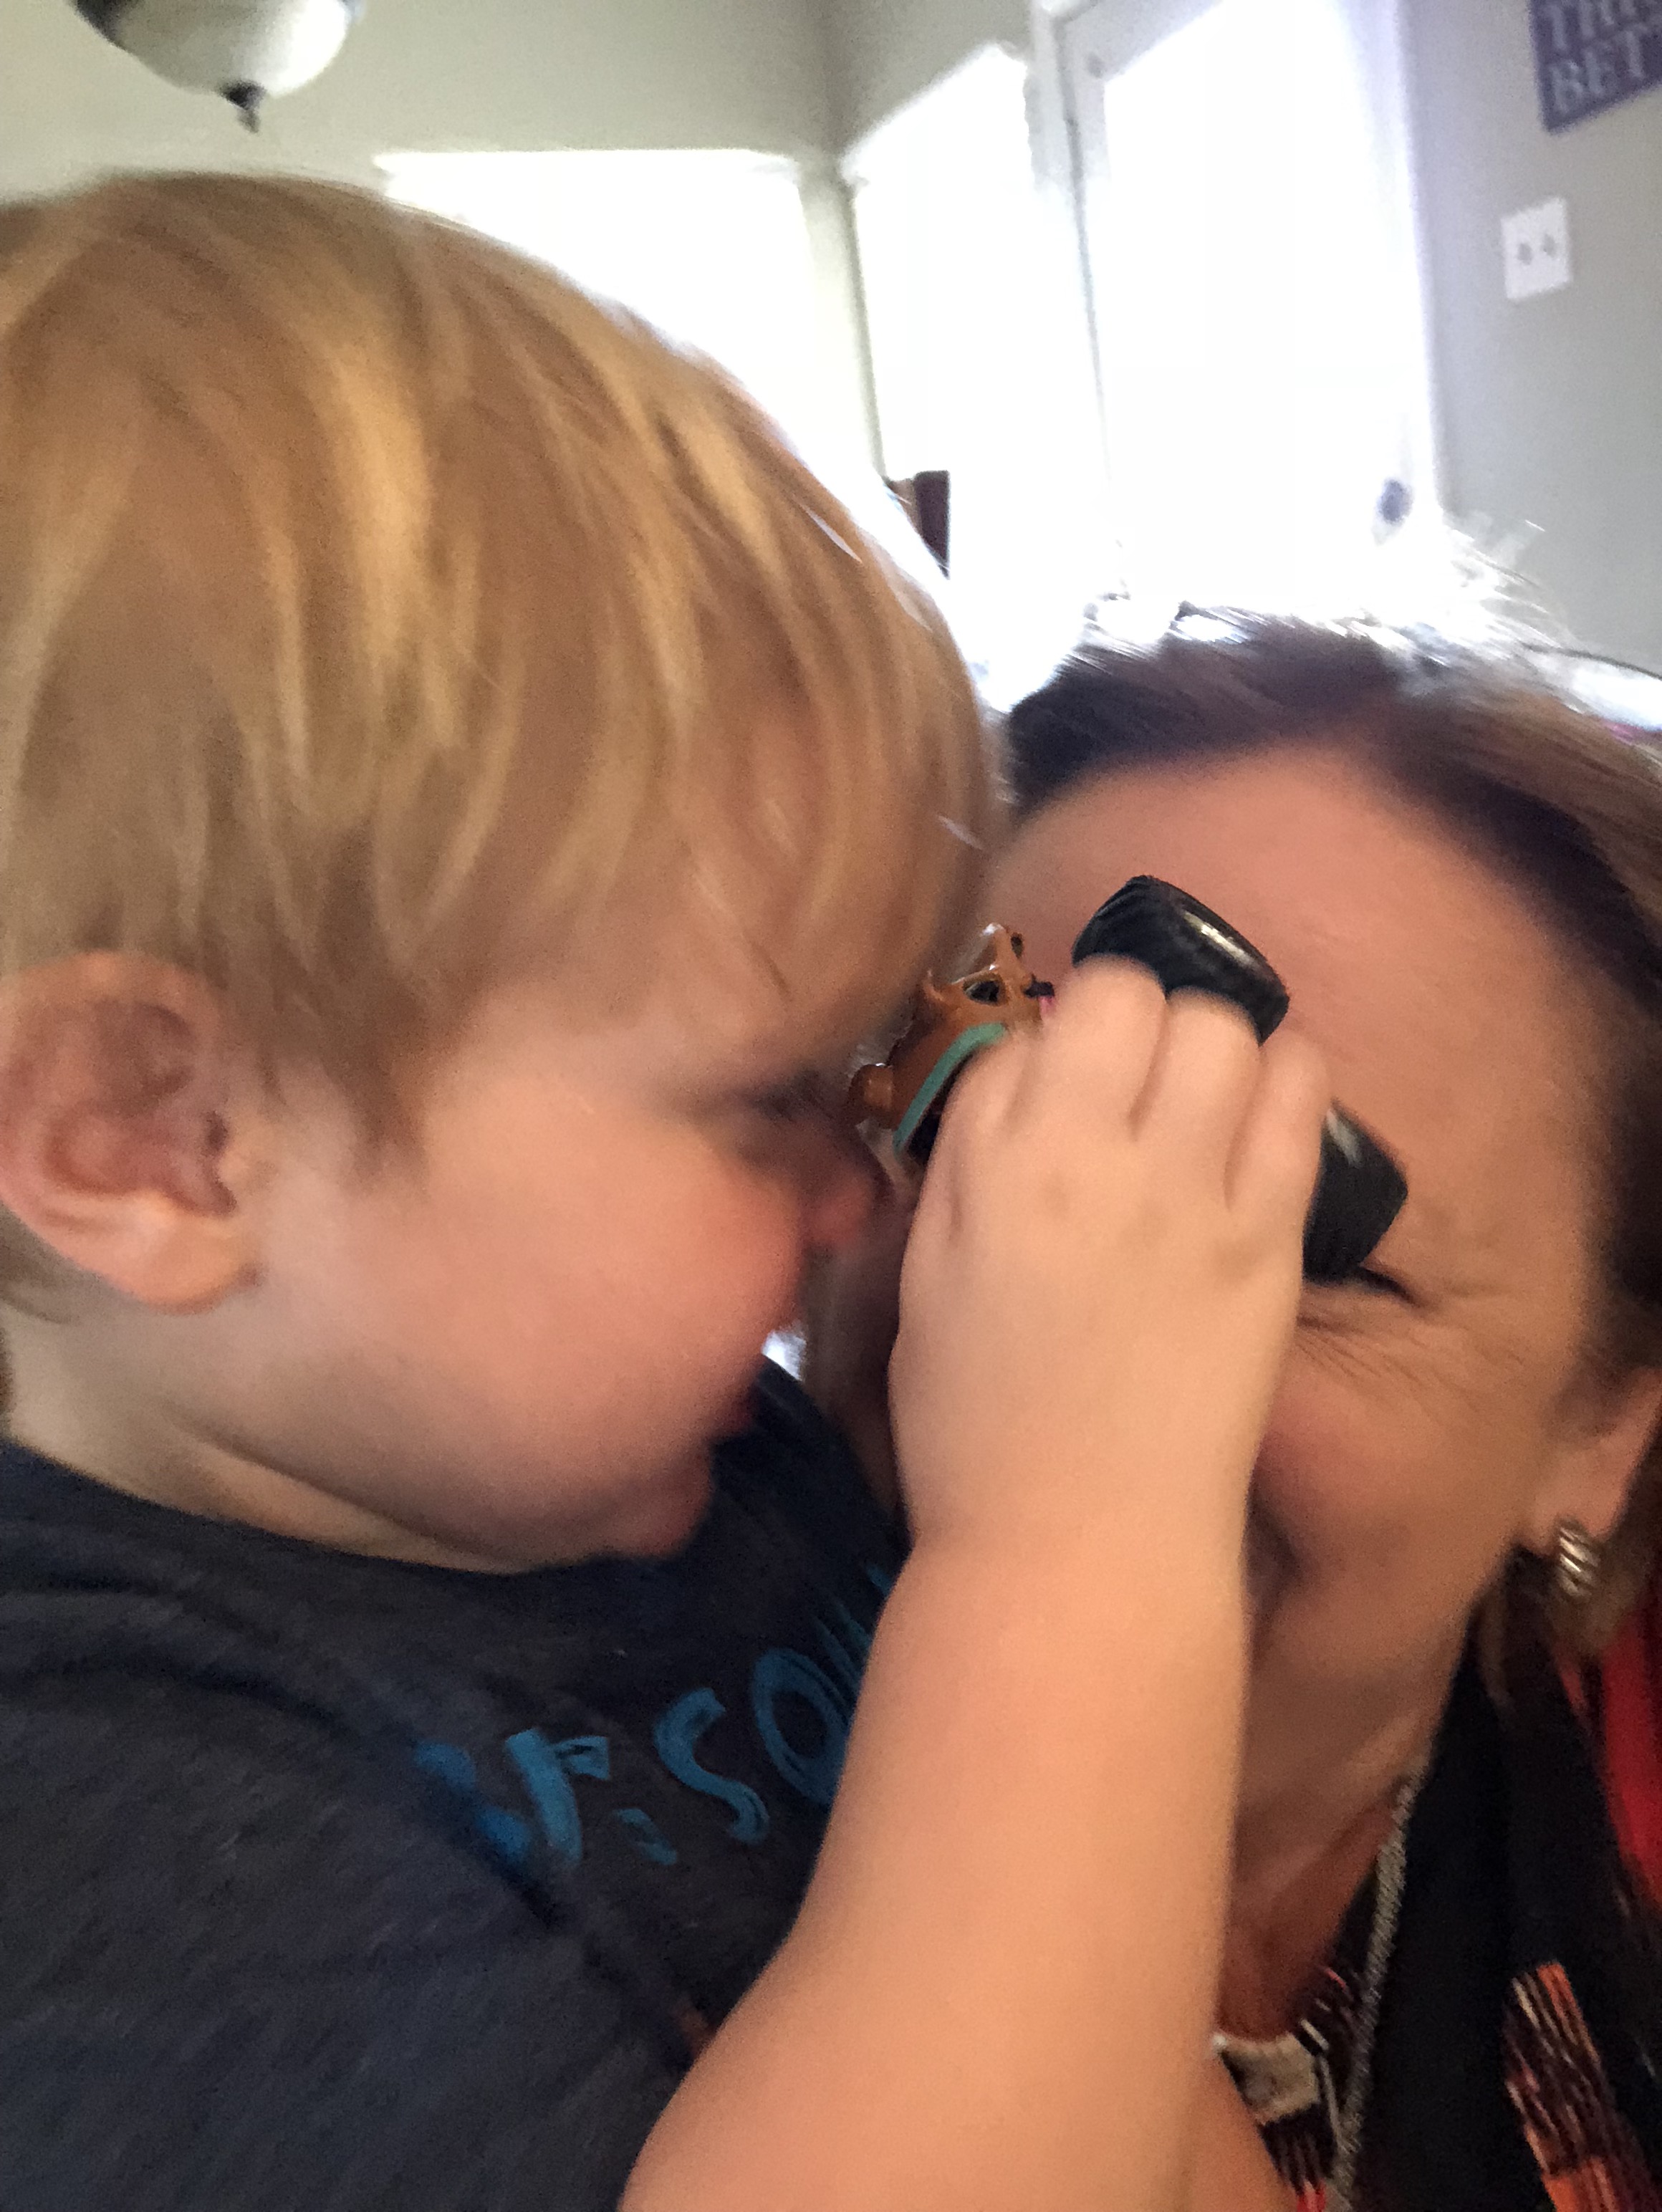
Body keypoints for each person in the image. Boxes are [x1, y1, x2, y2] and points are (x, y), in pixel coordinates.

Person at [0, 177, 1323, 2211]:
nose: (856, 1194)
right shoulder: (104, 1820)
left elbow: (1122, 2068)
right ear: (156, 1138)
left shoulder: (705, 1472)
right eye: (768, 1097)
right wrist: (1077, 1548)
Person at [978, 613, 1662, 2211]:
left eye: (1290, 1234)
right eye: (961, 1112)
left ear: (1602, 1428)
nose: (993, 1301)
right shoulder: (557, 1828)